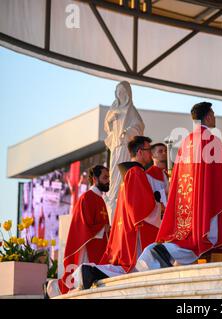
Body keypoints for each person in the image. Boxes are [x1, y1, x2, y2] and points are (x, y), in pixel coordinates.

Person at [135, 102, 222, 271]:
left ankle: (160, 252)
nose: (214, 117)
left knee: (187, 237)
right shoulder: (211, 140)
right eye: (213, 114)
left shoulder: (186, 142)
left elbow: (177, 176)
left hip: (186, 203)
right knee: (202, 240)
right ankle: (160, 251)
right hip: (204, 202)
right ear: (207, 116)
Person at [67, 136, 163, 292]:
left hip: (126, 230)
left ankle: (91, 272)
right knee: (135, 268)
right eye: (148, 150)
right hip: (136, 231)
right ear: (139, 152)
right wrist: (159, 207)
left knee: (132, 269)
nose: (151, 155)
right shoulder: (136, 173)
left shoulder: (130, 174)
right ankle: (89, 271)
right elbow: (141, 209)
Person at [45, 165, 110, 297]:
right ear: (95, 179)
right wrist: (103, 228)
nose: (108, 180)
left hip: (99, 247)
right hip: (87, 249)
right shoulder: (87, 198)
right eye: (105, 177)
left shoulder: (101, 200)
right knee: (79, 282)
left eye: (108, 177)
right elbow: (83, 227)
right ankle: (53, 288)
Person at [104, 81, 145, 222]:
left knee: (122, 176)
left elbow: (139, 126)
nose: (120, 94)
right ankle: (112, 200)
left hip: (124, 146)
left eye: (123, 92)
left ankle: (120, 199)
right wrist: (111, 118)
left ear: (128, 94)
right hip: (115, 147)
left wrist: (128, 132)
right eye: (118, 92)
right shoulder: (114, 108)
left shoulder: (131, 110)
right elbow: (106, 125)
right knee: (113, 174)